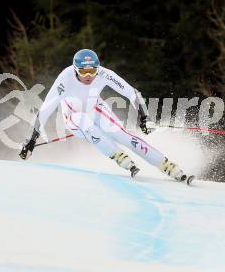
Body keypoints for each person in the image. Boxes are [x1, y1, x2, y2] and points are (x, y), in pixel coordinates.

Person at [19, 49, 187, 181]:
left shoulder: (103, 74)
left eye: (92, 71)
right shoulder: (65, 79)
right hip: (73, 116)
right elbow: (46, 109)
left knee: (122, 135)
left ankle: (165, 164)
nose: (88, 76)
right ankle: (117, 155)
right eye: (83, 72)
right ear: (75, 69)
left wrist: (144, 117)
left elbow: (132, 93)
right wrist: (31, 141)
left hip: (96, 109)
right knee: (83, 120)